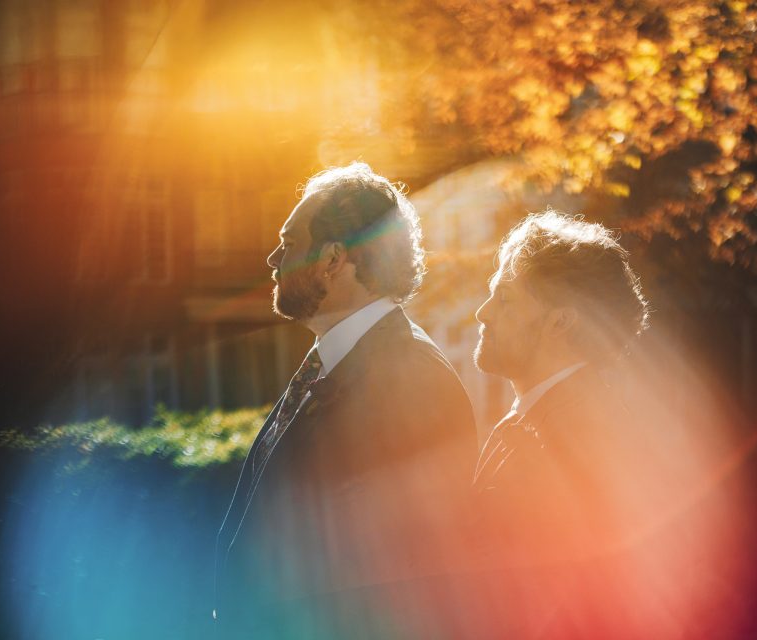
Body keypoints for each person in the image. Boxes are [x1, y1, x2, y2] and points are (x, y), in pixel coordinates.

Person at [214, 163, 477, 638]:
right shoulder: (330, 362)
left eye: (290, 243)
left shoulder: (411, 380)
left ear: (334, 258)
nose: (274, 259)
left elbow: (406, 580)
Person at [471, 210, 704, 637]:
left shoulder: (586, 436)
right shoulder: (532, 420)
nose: (482, 313)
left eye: (504, 297)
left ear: (561, 320)